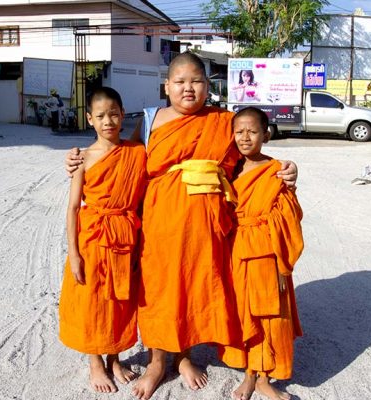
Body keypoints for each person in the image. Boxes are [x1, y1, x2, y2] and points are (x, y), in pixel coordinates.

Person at [65, 52, 298, 400]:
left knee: (194, 288)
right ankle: (159, 361)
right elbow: (119, 155)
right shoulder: (150, 120)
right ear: (167, 86)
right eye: (180, 82)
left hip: (205, 226)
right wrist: (77, 157)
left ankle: (185, 356)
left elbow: (248, 161)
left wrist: (287, 170)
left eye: (196, 81)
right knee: (160, 291)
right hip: (160, 223)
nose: (188, 89)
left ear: (207, 85)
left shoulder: (223, 121)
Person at [58, 87, 147, 393]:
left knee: (120, 299)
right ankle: (95, 362)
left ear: (122, 114)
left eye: (113, 113)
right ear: (89, 119)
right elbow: (72, 208)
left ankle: (115, 358)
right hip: (93, 238)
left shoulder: (136, 152)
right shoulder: (82, 158)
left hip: (124, 235)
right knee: (93, 301)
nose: (108, 121)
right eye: (100, 116)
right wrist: (74, 252)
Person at [220, 107, 304, 400]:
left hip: (267, 254)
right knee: (244, 313)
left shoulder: (276, 171)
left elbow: (289, 216)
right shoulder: (228, 169)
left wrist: (283, 262)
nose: (245, 138)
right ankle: (249, 374)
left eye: (252, 131)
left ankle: (265, 377)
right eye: (239, 131)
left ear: (266, 135)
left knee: (269, 312)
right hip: (237, 251)